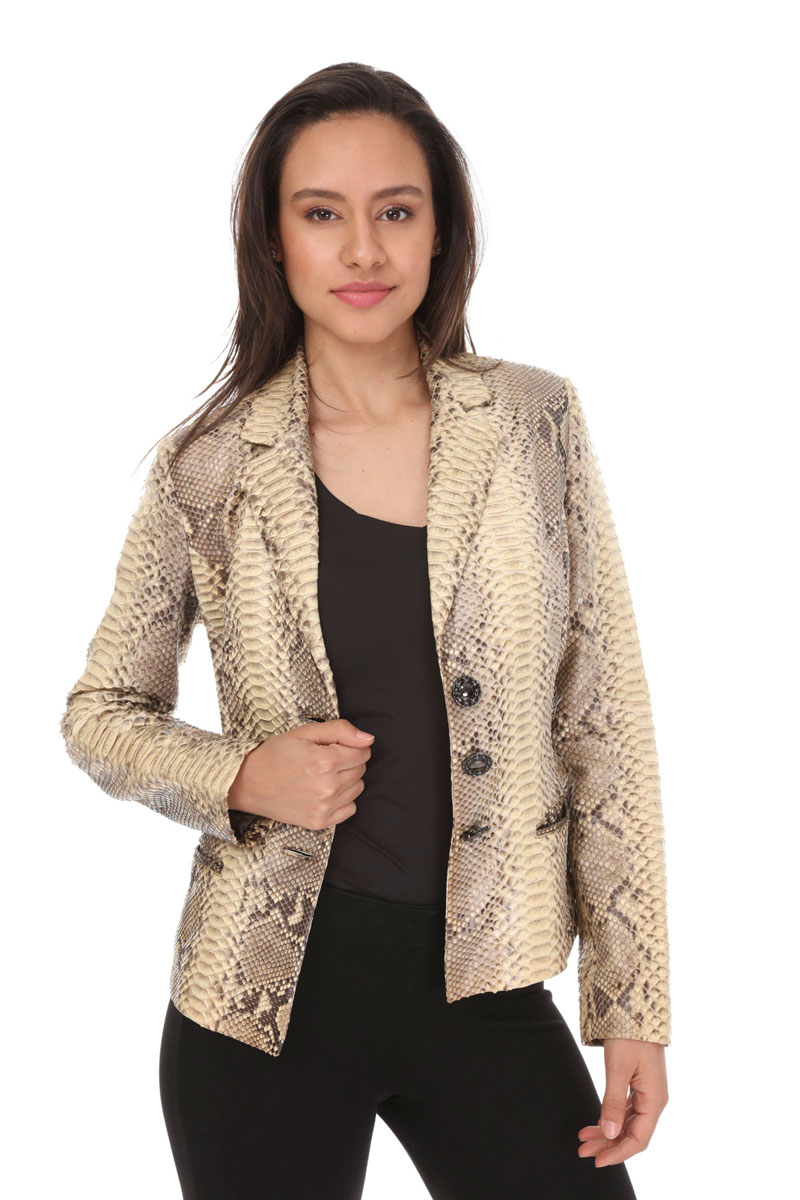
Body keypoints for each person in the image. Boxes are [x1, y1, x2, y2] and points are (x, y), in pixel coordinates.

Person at [60, 61, 670, 1200]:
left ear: (441, 231)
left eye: (395, 211)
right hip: (261, 1007)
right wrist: (241, 775)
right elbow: (101, 714)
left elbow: (602, 721)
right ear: (272, 238)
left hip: (489, 989)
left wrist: (632, 1004)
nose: (362, 251)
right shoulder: (209, 467)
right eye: (320, 214)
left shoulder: (533, 421)